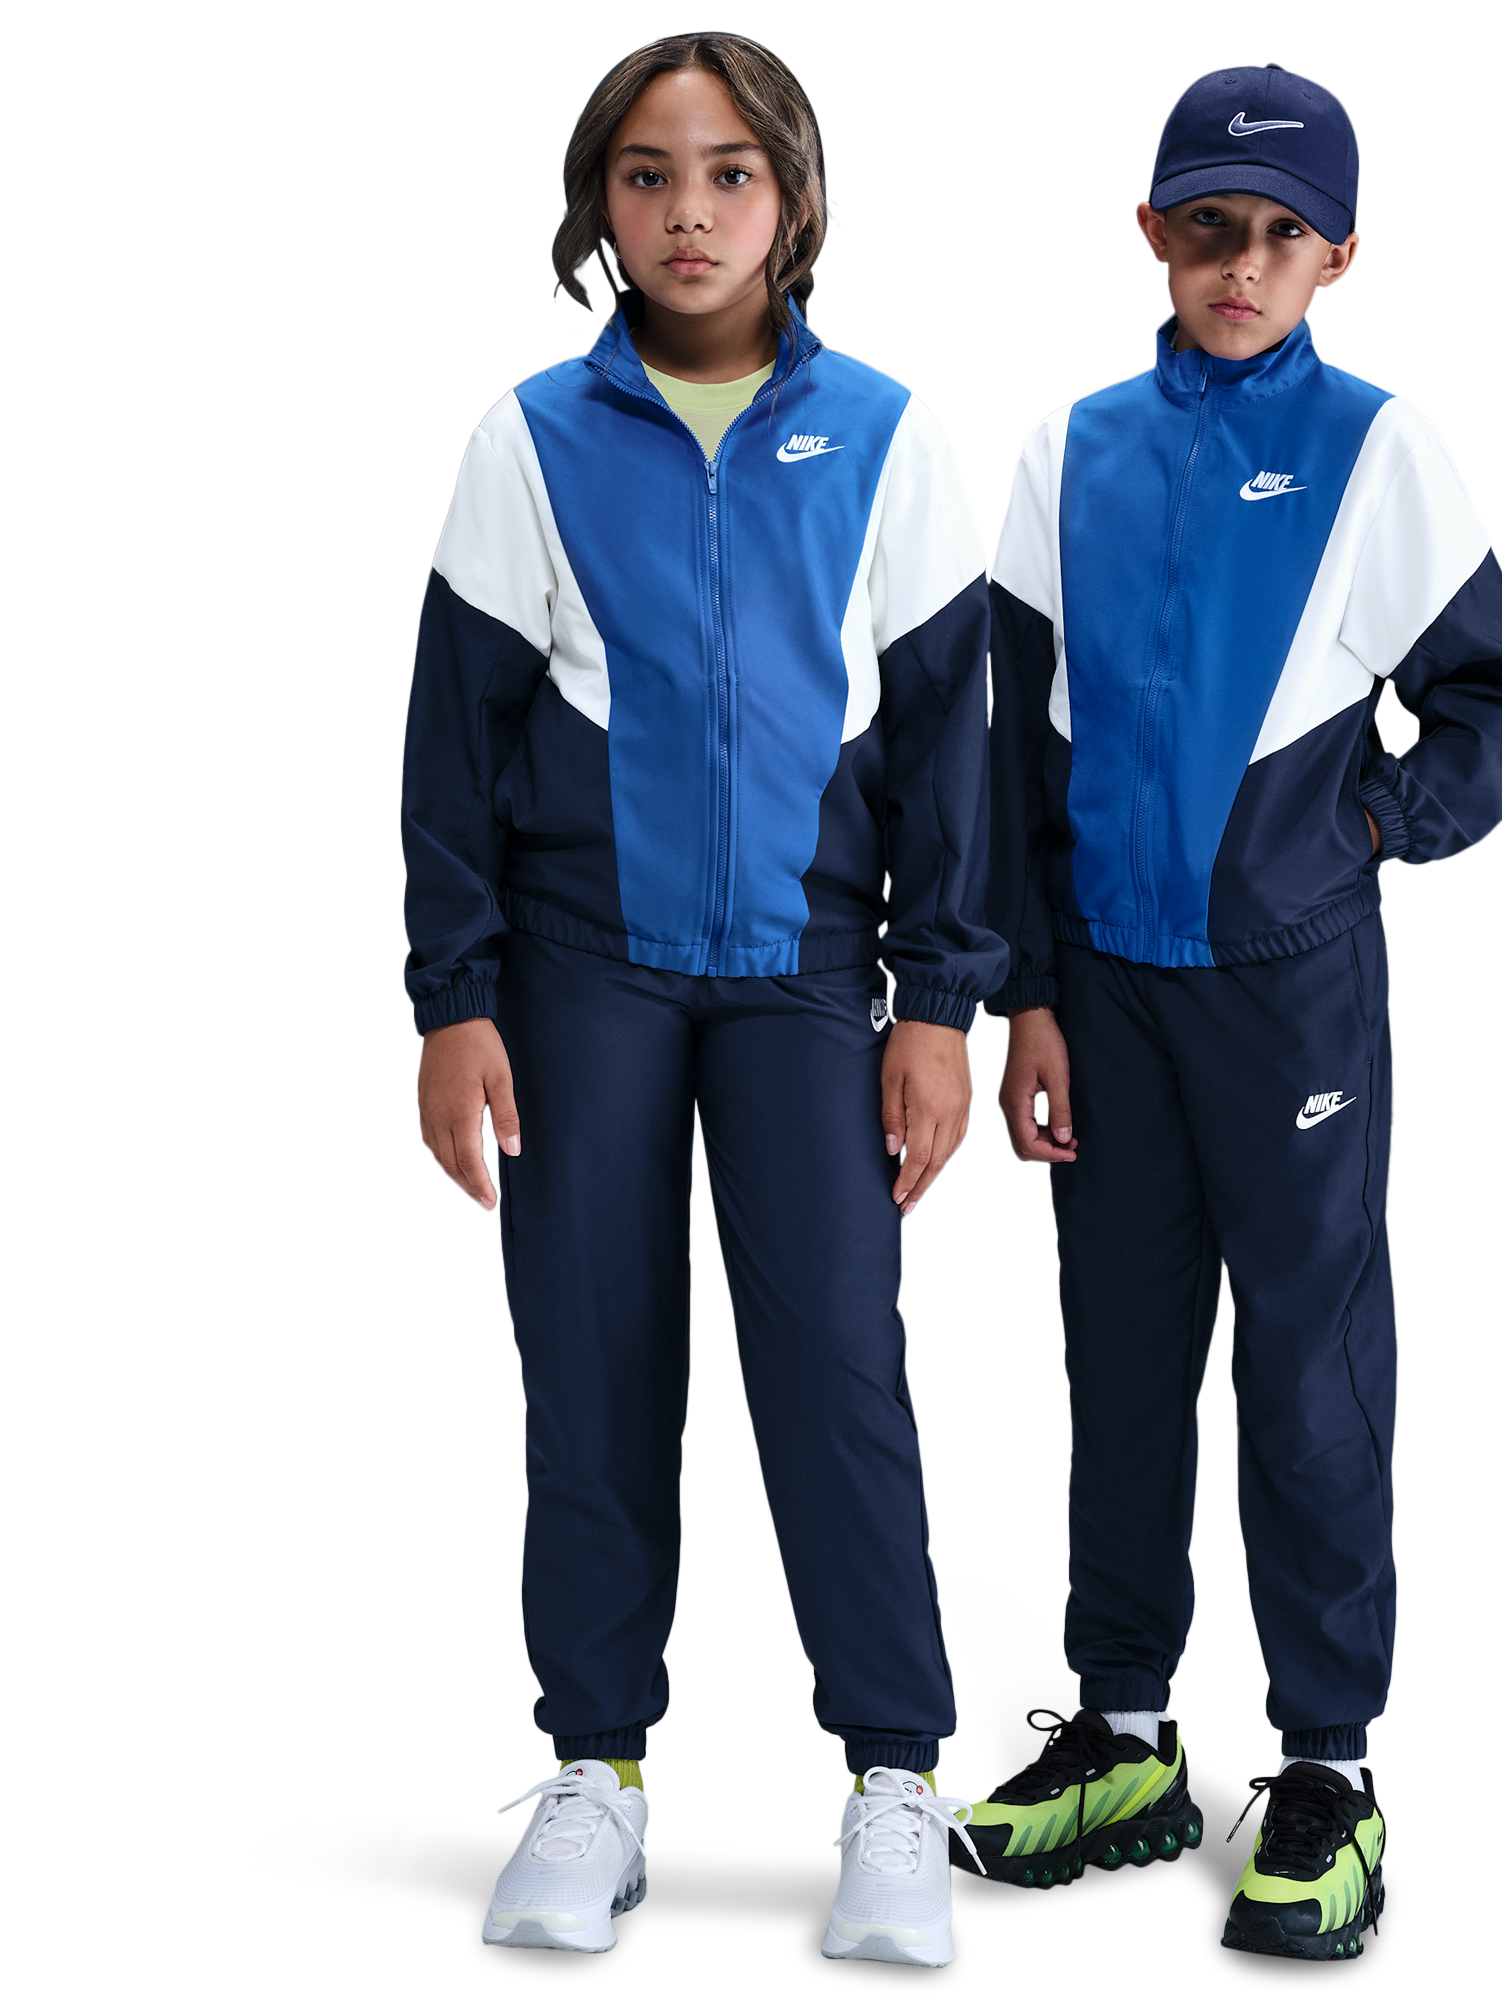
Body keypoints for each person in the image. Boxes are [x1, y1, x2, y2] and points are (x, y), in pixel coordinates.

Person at [401, 32, 1004, 1963]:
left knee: (837, 1368)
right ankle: (592, 1771)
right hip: (579, 972)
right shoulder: (529, 442)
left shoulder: (893, 439)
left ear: (792, 201)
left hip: (814, 982)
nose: (689, 211)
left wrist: (942, 1001)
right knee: (592, 1367)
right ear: (603, 206)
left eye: (730, 171)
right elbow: (451, 751)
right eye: (649, 175)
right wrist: (451, 1000)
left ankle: (895, 1777)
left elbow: (953, 756)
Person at [964, 64, 1502, 1962]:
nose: (1243, 264)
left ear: (1337, 259)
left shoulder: (1381, 454)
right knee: (1122, 1361)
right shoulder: (1063, 455)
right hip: (1103, 996)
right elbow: (1007, 754)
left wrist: (1369, 825)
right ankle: (1122, 1732)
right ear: (1153, 234)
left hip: (1288, 994)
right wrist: (1025, 995)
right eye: (1209, 228)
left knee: (1308, 1375)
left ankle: (1328, 1772)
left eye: (1282, 236)